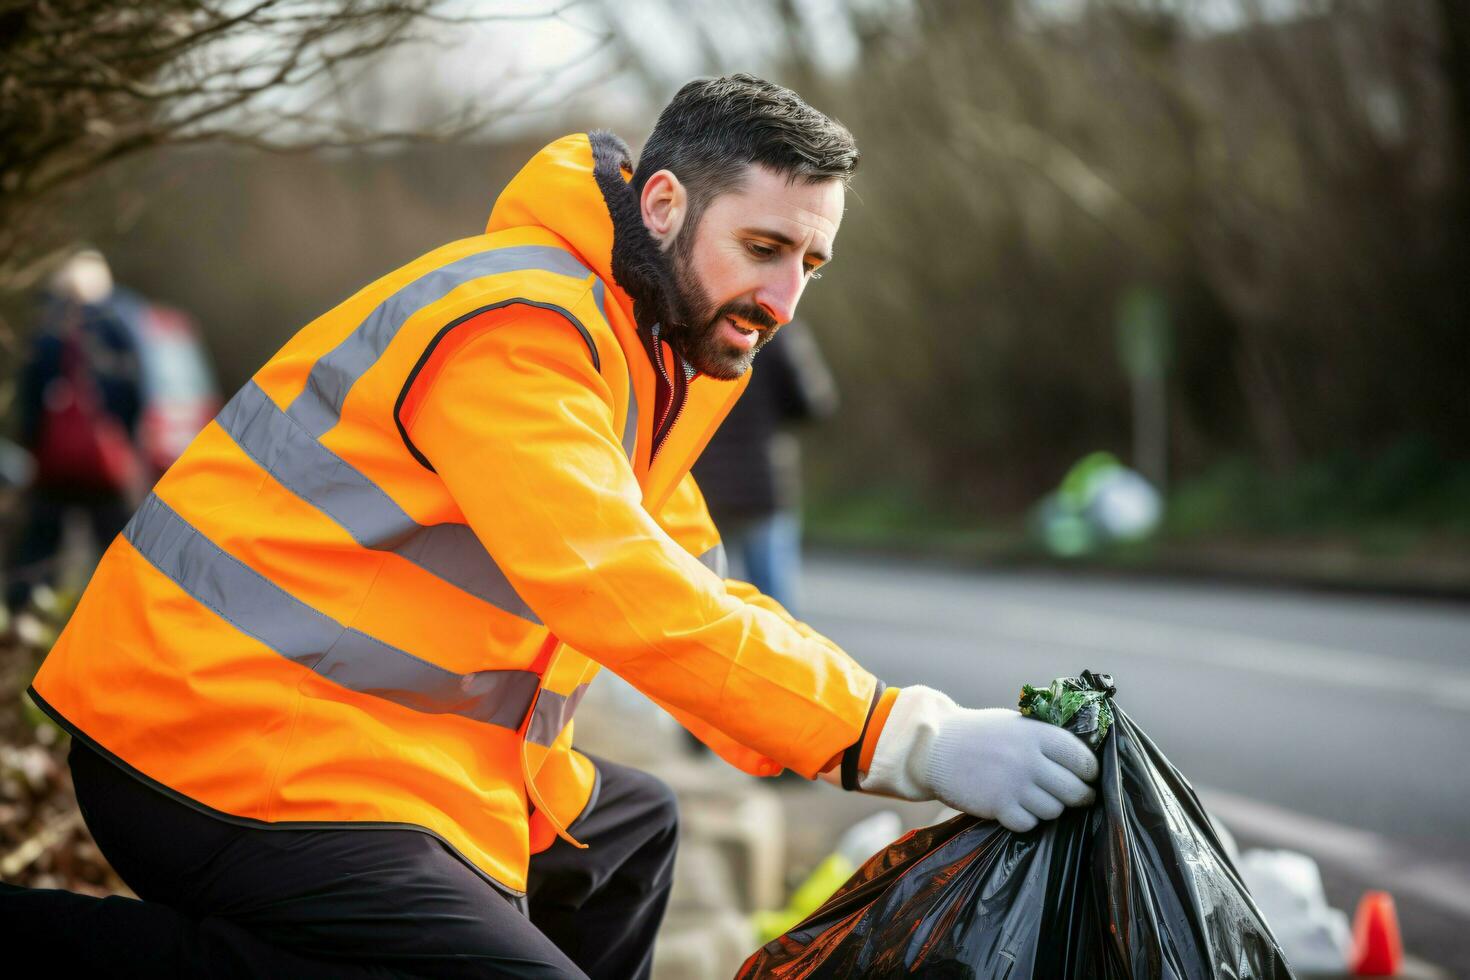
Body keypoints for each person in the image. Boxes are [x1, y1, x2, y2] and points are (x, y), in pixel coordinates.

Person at [6, 75, 1099, 977]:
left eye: (809, 262)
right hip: (210, 741)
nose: (783, 298)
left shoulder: (645, 351)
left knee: (627, 834)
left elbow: (704, 597)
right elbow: (620, 587)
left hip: (362, 746)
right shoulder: (521, 331)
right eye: (764, 246)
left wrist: (891, 729)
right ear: (664, 205)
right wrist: (902, 739)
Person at [3, 250, 145, 621]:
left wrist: (37, 448)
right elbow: (135, 395)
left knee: (38, 549)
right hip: (103, 468)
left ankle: (23, 620)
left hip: (55, 467)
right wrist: (122, 441)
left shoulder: (49, 334)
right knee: (118, 548)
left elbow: (30, 400)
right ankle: (123, 618)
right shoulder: (118, 331)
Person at [693, 320, 836, 614]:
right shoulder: (777, 331)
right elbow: (814, 403)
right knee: (776, 608)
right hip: (761, 485)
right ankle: (783, 660)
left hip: (701, 487)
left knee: (703, 602)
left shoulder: (694, 322)